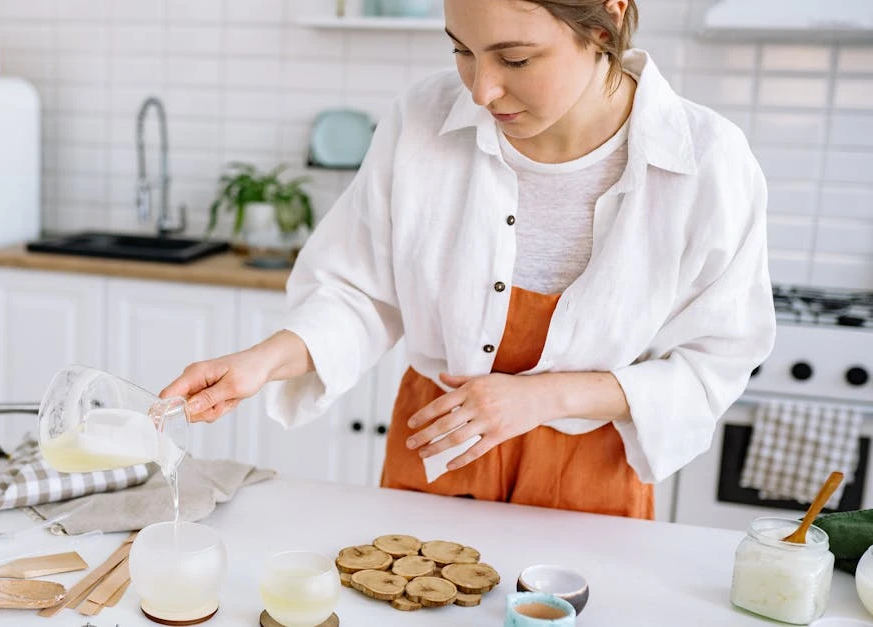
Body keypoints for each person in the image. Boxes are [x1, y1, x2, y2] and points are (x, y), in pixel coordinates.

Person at [160, 0, 775, 519]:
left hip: (592, 469)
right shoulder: (420, 121)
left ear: (606, 24)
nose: (482, 89)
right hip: (439, 445)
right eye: (461, 50)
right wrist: (260, 362)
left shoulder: (708, 163)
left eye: (515, 58)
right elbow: (360, 293)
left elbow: (714, 362)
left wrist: (541, 398)